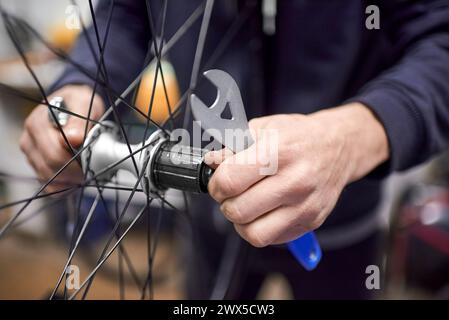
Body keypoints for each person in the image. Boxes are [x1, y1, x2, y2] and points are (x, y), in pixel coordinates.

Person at [20, 0, 449, 299]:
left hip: (344, 216)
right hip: (210, 217)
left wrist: (351, 137)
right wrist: (80, 84)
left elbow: (439, 39)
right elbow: (127, 12)